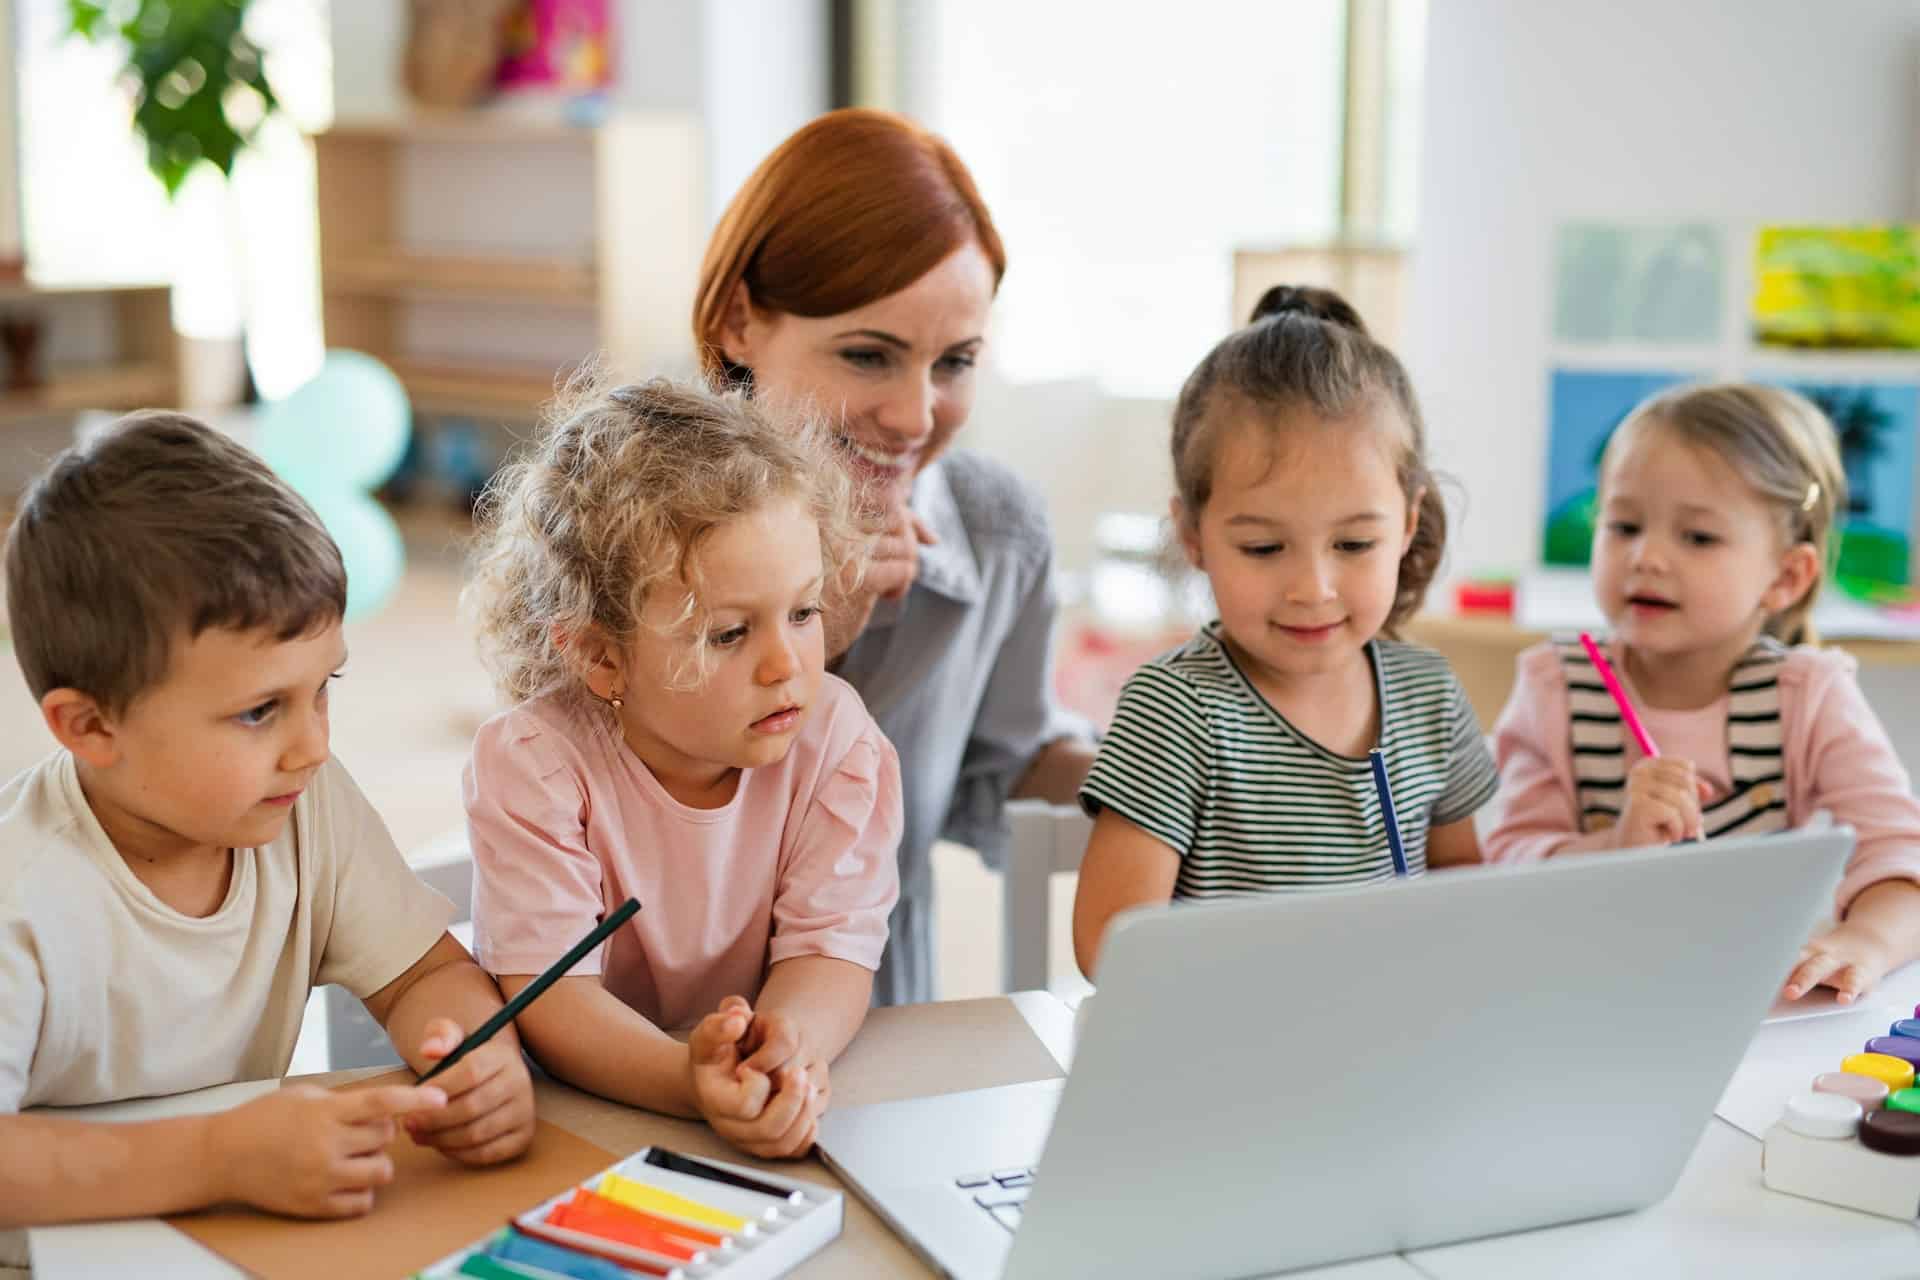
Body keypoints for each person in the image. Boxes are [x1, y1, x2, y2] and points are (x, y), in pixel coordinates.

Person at [0, 413, 535, 1243]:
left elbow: (420, 972)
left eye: (324, 687)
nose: (314, 746)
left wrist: (471, 1053)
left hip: (244, 1236)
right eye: (259, 712)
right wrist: (216, 1157)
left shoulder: (301, 805)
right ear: (90, 728)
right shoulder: (20, 888)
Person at [693, 107, 1095, 1004]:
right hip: (652, 1046)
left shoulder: (998, 533)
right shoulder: (619, 527)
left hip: (879, 1037)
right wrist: (809, 639)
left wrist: (1181, 756)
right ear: (736, 323)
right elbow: (622, 841)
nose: (916, 418)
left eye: (953, 363)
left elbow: (1003, 772)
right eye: (869, 355)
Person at [462, 376, 902, 1158]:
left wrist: (782, 1055)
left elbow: (829, 953)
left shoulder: (836, 742)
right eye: (729, 634)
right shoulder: (533, 764)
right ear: (602, 657)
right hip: (589, 1124)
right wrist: (690, 1081)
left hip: (736, 1108)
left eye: (802, 613)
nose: (785, 666)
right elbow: (554, 1002)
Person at [1071, 287, 1498, 977]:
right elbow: (1111, 949)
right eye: (1265, 549)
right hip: (1231, 1066)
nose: (1313, 588)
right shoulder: (1176, 712)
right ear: (1193, 536)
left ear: (1409, 523)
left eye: (1355, 544)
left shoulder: (1429, 697)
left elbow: (1467, 905)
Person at [1485, 383, 1920, 1003]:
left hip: (1746, 1004)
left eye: (1698, 537)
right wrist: (1616, 843)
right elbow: (1507, 868)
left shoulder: (1808, 694)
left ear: (1786, 576)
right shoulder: (1554, 685)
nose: (1647, 557)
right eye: (1623, 525)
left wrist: (1866, 944)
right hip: (1580, 992)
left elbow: (1902, 857)